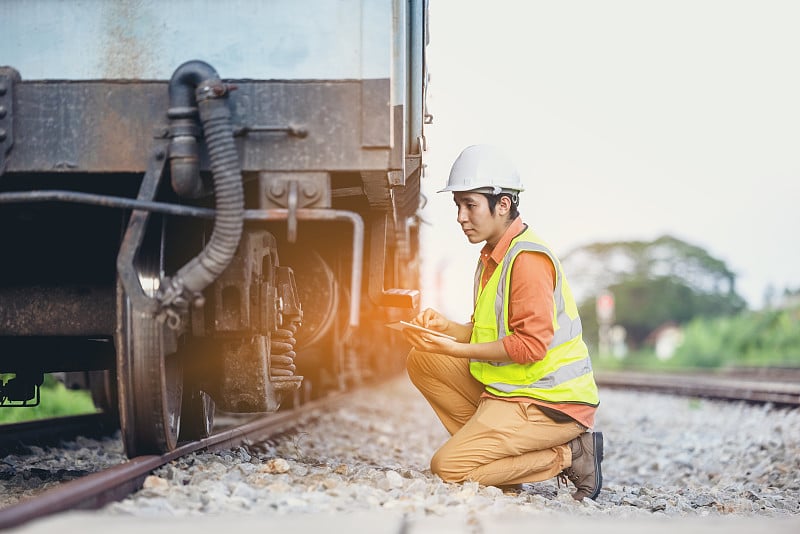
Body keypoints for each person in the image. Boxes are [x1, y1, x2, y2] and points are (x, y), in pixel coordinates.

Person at [404, 144, 603, 501]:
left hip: (550, 403)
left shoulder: (526, 259)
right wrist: (444, 328)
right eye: (458, 206)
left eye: (470, 205)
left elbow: (530, 346)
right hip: (513, 394)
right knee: (423, 358)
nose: (461, 217)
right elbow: (488, 333)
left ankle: (570, 454)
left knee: (448, 468)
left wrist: (458, 348)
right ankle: (499, 466)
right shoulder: (491, 256)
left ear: (503, 205)